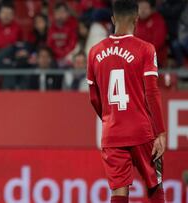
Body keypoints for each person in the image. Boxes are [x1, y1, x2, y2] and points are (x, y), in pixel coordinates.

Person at [87, 1, 166, 203]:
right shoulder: (146, 49)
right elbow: (151, 92)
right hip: (142, 131)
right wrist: (160, 132)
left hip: (112, 133)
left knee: (119, 193)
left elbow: (94, 98)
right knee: (155, 187)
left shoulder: (94, 52)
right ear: (136, 20)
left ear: (113, 19)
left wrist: (109, 118)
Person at [135, 0, 167, 66]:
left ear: (151, 9)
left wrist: (144, 54)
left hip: (155, 56)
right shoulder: (134, 21)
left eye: (145, 8)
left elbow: (158, 42)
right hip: (136, 56)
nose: (143, 11)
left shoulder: (157, 19)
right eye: (140, 8)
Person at [47, 2, 78, 67]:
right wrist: (58, 55)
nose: (60, 15)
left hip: (68, 57)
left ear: (67, 14)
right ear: (54, 14)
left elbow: (72, 44)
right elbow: (49, 44)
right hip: (54, 58)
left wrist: (63, 55)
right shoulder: (51, 28)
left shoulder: (72, 25)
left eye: (63, 12)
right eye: (58, 12)